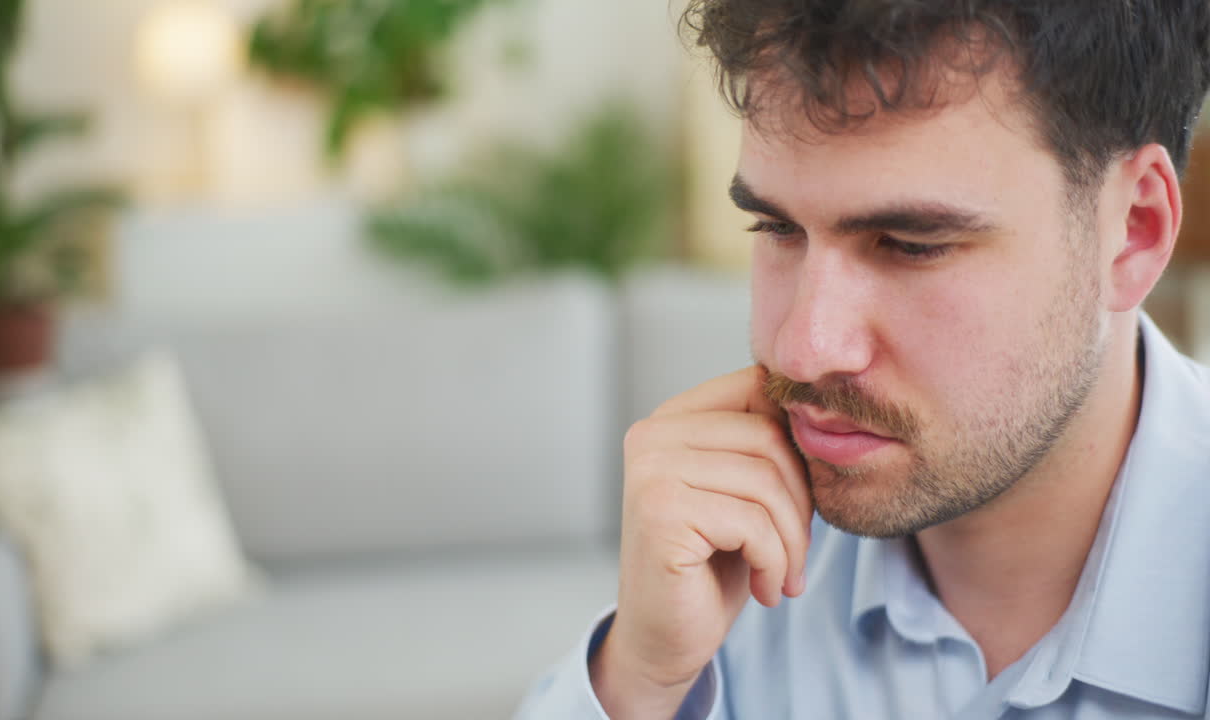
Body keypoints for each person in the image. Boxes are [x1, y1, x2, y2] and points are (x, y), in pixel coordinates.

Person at [515, 1, 1210, 718]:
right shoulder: (722, 568)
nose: (804, 349)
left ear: (1132, 231)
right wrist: (638, 682)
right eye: (777, 227)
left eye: (911, 244)